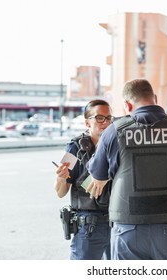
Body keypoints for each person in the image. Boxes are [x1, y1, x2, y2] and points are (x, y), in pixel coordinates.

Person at [86, 78, 167, 260]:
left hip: (127, 230)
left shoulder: (114, 132)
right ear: (155, 98)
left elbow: (97, 177)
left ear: (127, 105)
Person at [53, 99, 114, 260]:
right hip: (89, 227)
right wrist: (61, 178)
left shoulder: (118, 144)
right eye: (99, 118)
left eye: (108, 118)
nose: (105, 122)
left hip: (119, 223)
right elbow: (60, 192)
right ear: (87, 123)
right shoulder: (75, 148)